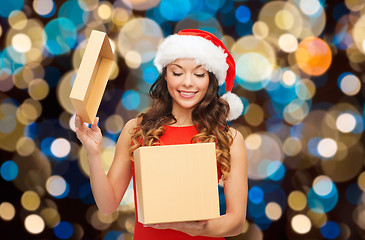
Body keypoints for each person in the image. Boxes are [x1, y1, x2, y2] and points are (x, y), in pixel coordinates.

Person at [75, 29, 248, 239]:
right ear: (165, 75)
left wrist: (195, 229)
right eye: (177, 72)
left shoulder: (229, 139)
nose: (187, 82)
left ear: (210, 80)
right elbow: (107, 204)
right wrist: (93, 153)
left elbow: (236, 221)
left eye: (199, 74)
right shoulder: (136, 130)